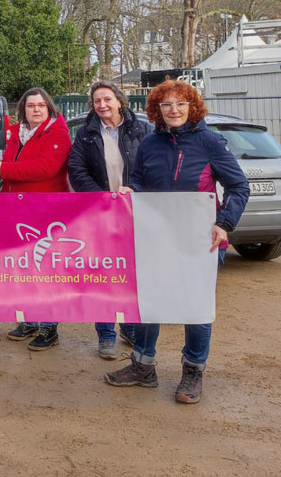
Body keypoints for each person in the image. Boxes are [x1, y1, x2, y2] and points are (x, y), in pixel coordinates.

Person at [104, 80, 249, 404]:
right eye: (166, 104)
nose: (174, 110)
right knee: (148, 301)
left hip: (201, 242)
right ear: (157, 109)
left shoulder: (210, 142)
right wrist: (132, 191)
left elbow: (239, 187)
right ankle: (143, 366)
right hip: (156, 239)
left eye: (180, 104)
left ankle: (193, 371)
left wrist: (224, 223)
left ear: (191, 107)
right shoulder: (150, 143)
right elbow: (139, 181)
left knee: (194, 306)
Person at [0, 87, 71, 351]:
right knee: (23, 268)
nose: (36, 110)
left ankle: (49, 327)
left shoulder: (58, 133)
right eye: (31, 106)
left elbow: (47, 168)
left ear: (49, 108)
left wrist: (4, 169)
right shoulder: (17, 134)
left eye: (41, 105)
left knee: (46, 271)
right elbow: (9, 163)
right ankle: (30, 318)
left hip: (44, 210)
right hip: (17, 209)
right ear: (23, 109)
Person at [68, 81, 153, 360]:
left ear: (119, 100)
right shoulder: (85, 134)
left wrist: (134, 192)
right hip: (99, 213)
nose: (102, 105)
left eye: (107, 99)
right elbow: (77, 170)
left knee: (130, 274)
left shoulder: (142, 129)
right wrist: (102, 198)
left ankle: (129, 326)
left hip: (134, 212)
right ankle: (105, 334)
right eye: (96, 101)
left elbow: (151, 167)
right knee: (101, 274)